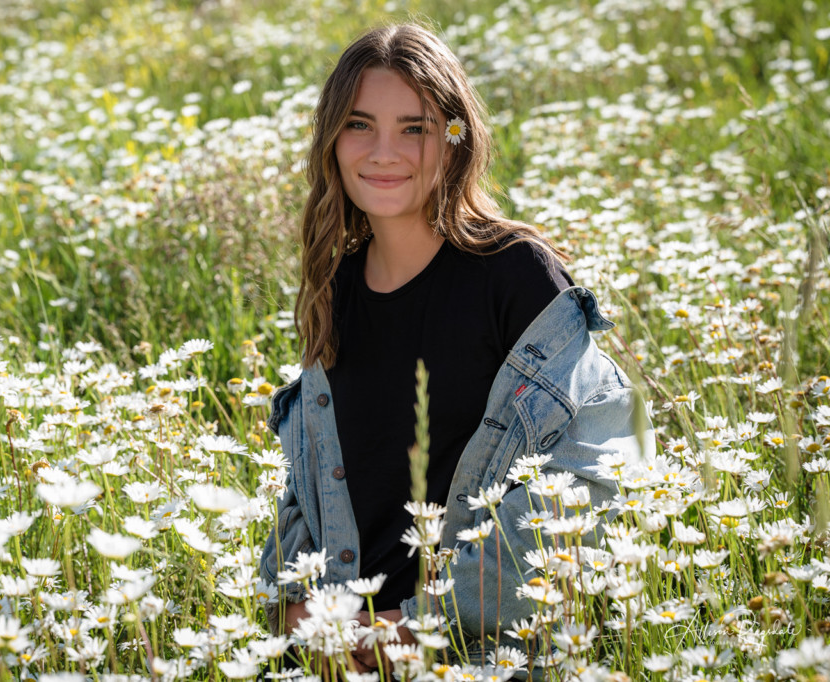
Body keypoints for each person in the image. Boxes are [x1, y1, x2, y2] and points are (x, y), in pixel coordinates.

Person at [258, 22, 652, 675]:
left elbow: (597, 468)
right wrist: (300, 610)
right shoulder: (334, 290)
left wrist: (407, 630)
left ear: (455, 140)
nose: (385, 151)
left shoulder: (516, 274)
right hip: (344, 657)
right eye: (360, 125)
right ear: (332, 141)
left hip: (487, 656)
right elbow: (302, 488)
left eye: (414, 127)